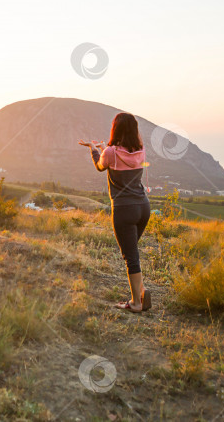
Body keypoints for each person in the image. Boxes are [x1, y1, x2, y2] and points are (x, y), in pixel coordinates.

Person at [78, 112, 152, 312]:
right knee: (131, 253)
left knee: (130, 257)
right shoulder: (141, 151)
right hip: (143, 207)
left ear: (115, 129)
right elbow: (118, 157)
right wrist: (105, 149)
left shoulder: (110, 152)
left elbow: (100, 166)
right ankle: (142, 292)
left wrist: (94, 149)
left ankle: (136, 303)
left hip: (124, 210)